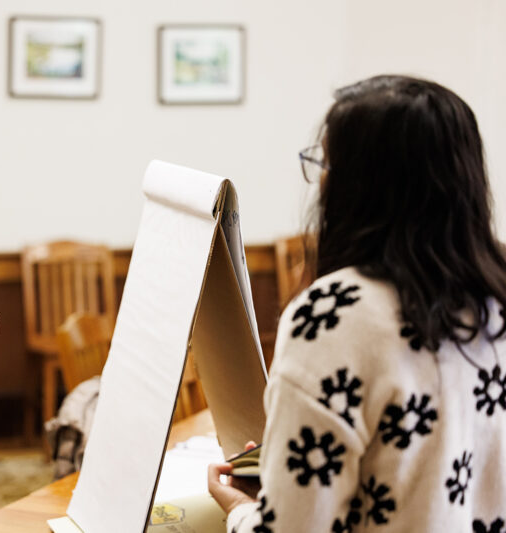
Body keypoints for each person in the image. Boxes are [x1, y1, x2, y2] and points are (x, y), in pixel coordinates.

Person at [208, 75, 506, 531]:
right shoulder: (494, 299)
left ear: (358, 187)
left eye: (325, 166)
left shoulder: (334, 318)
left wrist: (241, 510)